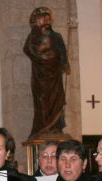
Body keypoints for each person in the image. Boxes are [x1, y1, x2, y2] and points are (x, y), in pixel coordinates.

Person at [23, 7, 70, 137]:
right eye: (43, 18)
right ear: (36, 20)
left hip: (55, 75)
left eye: (48, 18)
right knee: (42, 101)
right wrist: (45, 58)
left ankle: (55, 128)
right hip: (41, 76)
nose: (46, 20)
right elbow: (28, 50)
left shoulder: (56, 36)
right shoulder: (34, 37)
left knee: (57, 100)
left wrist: (65, 63)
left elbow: (62, 51)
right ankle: (43, 128)